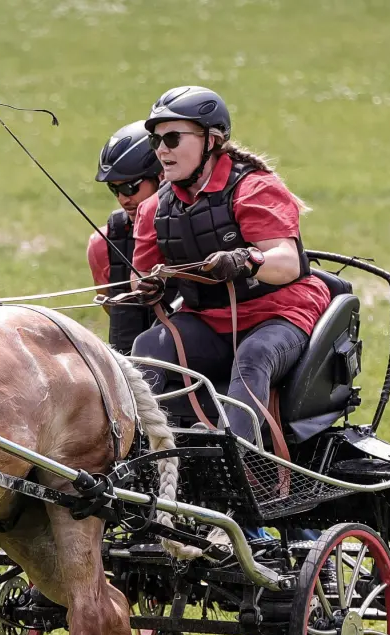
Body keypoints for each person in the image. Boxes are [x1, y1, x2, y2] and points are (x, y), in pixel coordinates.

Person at [127, 86, 331, 446]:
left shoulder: (254, 189)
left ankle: (244, 465)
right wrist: (148, 286)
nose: (161, 149)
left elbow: (287, 262)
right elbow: (140, 277)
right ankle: (139, 452)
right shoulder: (153, 209)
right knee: (147, 348)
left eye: (173, 138)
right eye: (155, 140)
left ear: (212, 140)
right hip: (208, 321)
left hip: (280, 315)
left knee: (252, 357)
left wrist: (247, 261)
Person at [87, 121, 162, 355]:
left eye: (130, 187)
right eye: (114, 189)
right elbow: (111, 307)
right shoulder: (102, 243)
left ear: (161, 175)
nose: (122, 198)